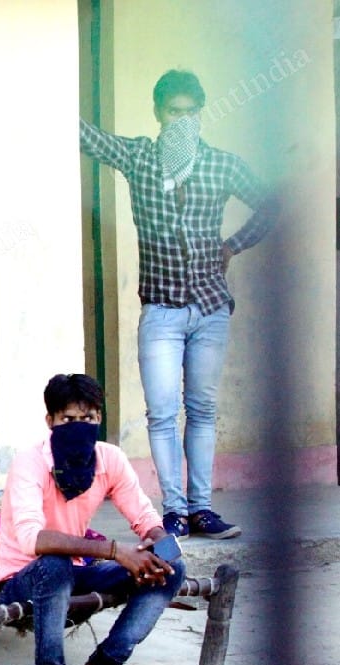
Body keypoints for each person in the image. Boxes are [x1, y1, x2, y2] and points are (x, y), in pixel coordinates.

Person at [80, 69, 276, 540]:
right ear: (158, 113)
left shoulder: (221, 164)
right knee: (163, 411)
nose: (183, 120)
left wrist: (233, 246)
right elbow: (87, 138)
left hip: (210, 306)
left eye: (191, 112)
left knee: (203, 409)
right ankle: (174, 510)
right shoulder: (140, 156)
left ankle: (203, 508)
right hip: (162, 309)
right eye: (174, 112)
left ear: (202, 114)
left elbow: (270, 203)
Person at [0, 373, 185, 665]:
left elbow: (144, 516)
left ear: (99, 419)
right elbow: (32, 539)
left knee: (172, 569)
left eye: (89, 419)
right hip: (21, 580)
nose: (80, 426)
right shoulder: (30, 462)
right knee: (54, 565)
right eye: (69, 419)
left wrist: (161, 546)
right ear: (50, 421)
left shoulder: (109, 459)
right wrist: (115, 551)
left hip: (76, 571)